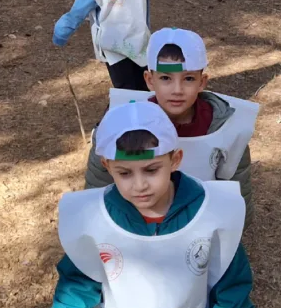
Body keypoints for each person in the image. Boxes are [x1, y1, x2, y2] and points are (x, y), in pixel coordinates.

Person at [40, 101, 256, 308]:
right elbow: (78, 283)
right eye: (125, 173)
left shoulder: (209, 214)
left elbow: (230, 283)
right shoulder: (97, 221)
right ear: (107, 165)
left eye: (151, 170)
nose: (139, 185)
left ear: (175, 159)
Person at [83, 28, 257, 211]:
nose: (177, 90)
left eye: (188, 78)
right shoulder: (116, 127)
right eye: (165, 78)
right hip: (135, 226)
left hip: (200, 225)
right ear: (150, 80)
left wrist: (231, 231)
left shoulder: (228, 128)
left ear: (202, 82)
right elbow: (98, 192)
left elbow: (237, 196)